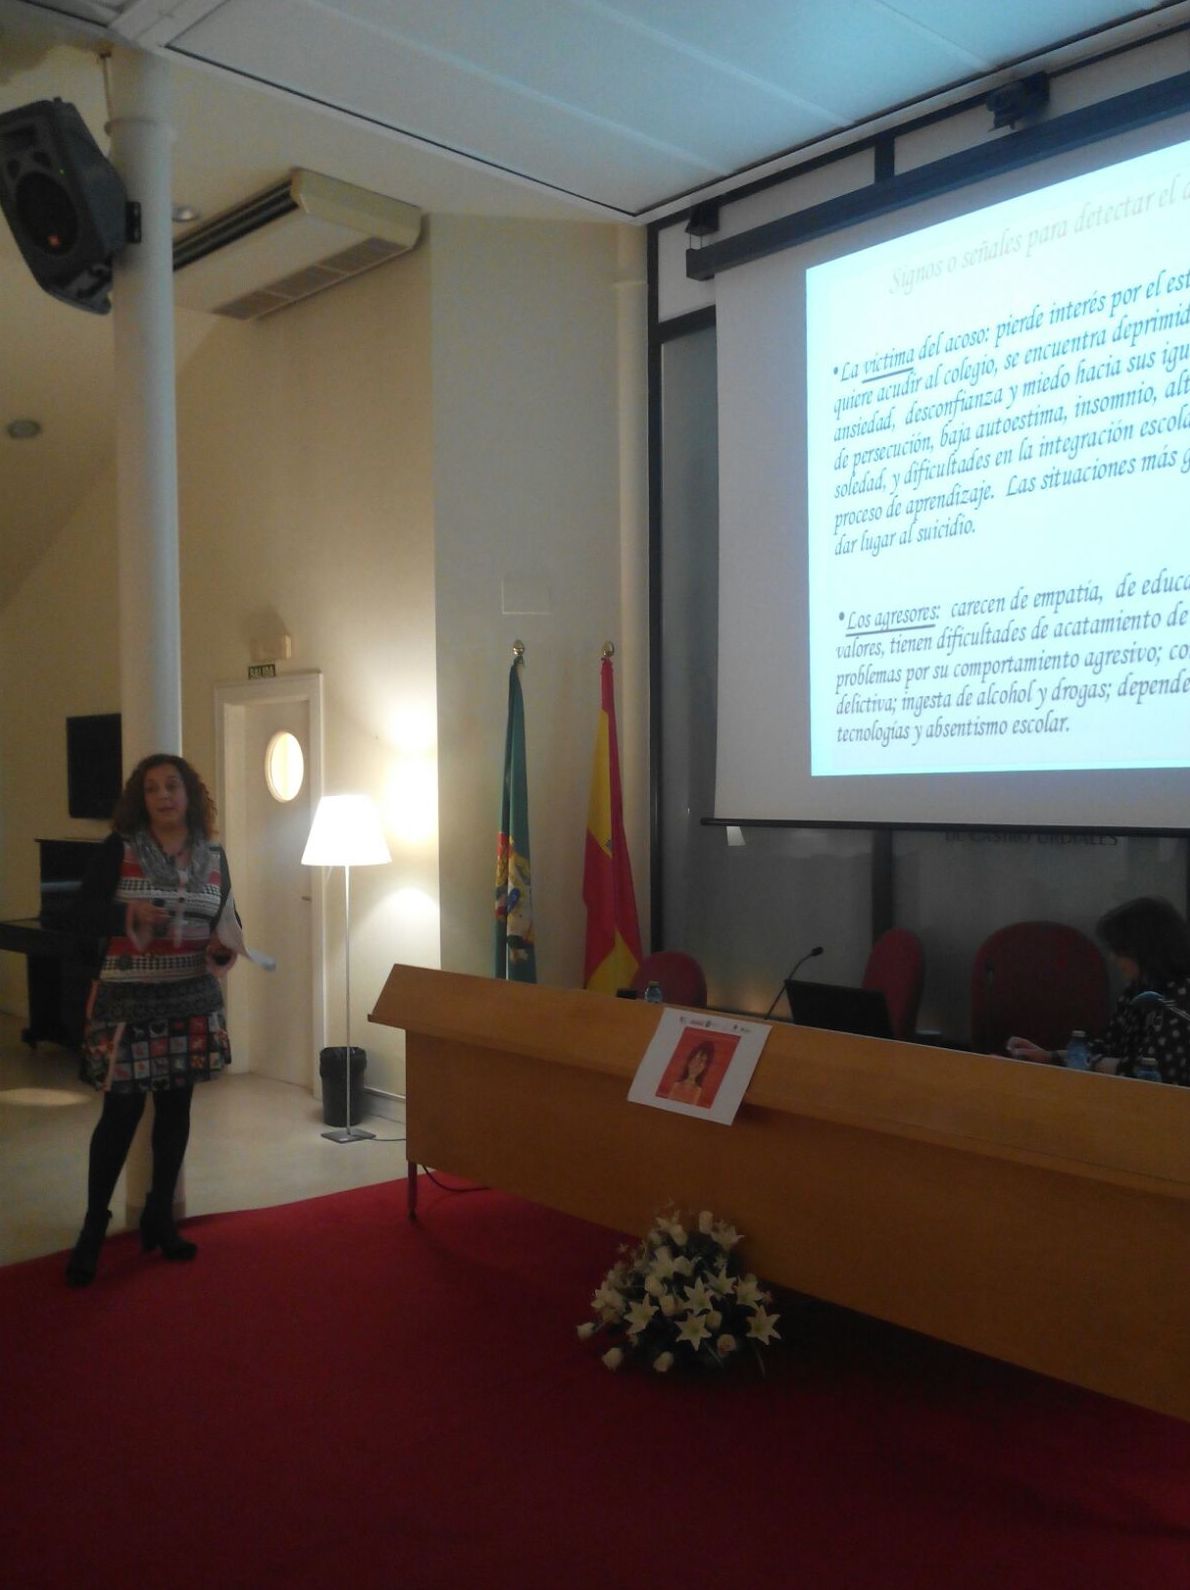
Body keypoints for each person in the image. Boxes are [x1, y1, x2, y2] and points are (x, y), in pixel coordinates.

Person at [65, 754, 240, 1286]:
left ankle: (160, 1218)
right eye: (152, 789)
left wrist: (223, 947)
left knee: (175, 1114)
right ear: (141, 801)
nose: (163, 796)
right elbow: (78, 913)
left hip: (191, 998)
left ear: (190, 794)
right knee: (119, 1118)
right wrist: (127, 915)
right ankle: (94, 1228)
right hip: (128, 1000)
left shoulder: (214, 855)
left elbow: (228, 922)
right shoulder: (118, 849)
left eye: (172, 786)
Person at [1006, 896, 1190, 1087]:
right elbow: (1110, 1046)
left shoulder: (1181, 996)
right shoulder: (1138, 988)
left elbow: (1158, 1072)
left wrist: (1093, 1064)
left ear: (1145, 950)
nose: (1113, 958)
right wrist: (1050, 1057)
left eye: (1119, 950)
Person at [665, 1040, 714, 1105]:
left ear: (705, 1067)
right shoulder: (676, 1085)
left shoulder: (700, 1092)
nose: (696, 1064)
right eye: (695, 1059)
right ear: (689, 1061)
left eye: (702, 1061)